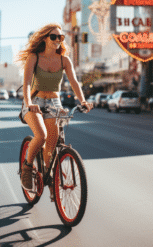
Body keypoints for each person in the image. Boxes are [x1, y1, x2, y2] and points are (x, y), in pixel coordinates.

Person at [16, 23, 93, 194]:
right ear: (45, 38)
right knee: (41, 136)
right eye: (54, 37)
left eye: (60, 37)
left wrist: (83, 101)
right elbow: (27, 84)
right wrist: (29, 103)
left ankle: (49, 176)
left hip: (54, 103)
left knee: (51, 145)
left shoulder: (64, 60)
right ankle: (27, 168)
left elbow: (74, 82)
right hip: (34, 101)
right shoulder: (34, 57)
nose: (58, 40)